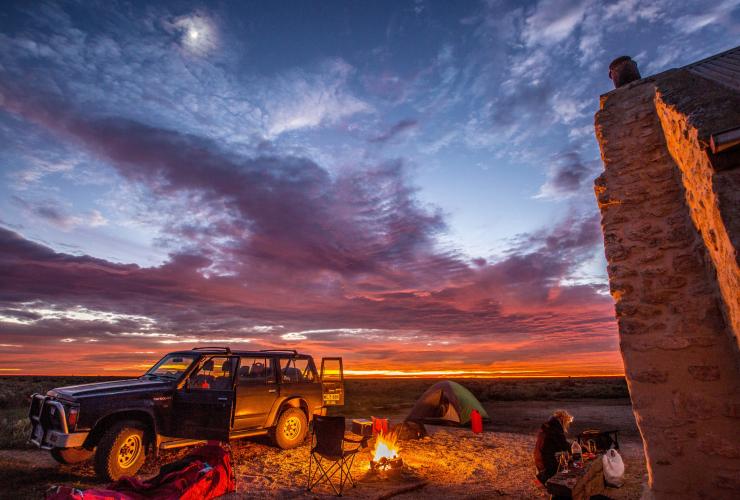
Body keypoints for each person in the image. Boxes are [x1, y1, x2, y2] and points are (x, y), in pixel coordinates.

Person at [534, 409, 574, 486]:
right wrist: (577, 447)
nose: (567, 425)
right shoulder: (555, 430)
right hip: (546, 465)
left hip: (539, 462)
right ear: (562, 420)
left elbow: (559, 444)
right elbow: (564, 446)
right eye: (566, 422)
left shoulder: (549, 427)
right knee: (571, 467)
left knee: (565, 459)